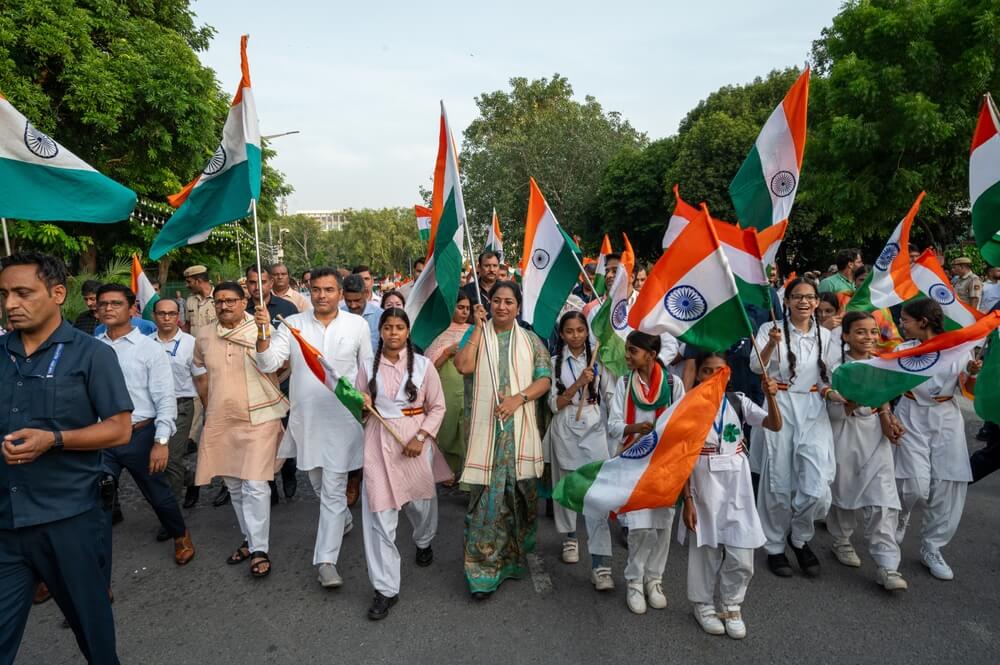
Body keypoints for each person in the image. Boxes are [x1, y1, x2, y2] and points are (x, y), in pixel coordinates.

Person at [0, 252, 133, 665]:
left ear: (57, 293)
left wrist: (53, 440)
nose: (9, 304)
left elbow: (119, 428)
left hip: (69, 520)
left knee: (94, 637)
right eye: (3, 294)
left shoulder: (92, 355)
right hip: (6, 523)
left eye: (23, 293)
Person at [255, 268, 372, 588]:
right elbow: (267, 364)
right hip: (306, 421)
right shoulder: (292, 326)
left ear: (339, 293)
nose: (322, 295)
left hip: (342, 419)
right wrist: (263, 332)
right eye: (316, 290)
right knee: (321, 486)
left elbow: (367, 366)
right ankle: (344, 521)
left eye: (329, 290)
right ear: (308, 291)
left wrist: (368, 395)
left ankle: (325, 561)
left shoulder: (357, 325)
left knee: (333, 490)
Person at [454, 280, 552, 598]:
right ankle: (481, 570)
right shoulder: (477, 334)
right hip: (486, 433)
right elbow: (463, 365)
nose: (502, 307)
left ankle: (509, 561)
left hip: (518, 432)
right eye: (496, 300)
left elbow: (545, 380)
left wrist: (517, 399)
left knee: (520, 498)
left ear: (518, 307)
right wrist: (479, 328)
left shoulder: (531, 340)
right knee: (486, 501)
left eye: (509, 301)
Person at [357, 308, 451, 619]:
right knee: (380, 516)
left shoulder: (423, 366)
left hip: (414, 442)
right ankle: (385, 589)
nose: (393, 332)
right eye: (387, 327)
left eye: (399, 327)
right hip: (378, 442)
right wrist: (361, 404)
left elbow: (437, 406)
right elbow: (358, 404)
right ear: (380, 331)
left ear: (407, 331)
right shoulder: (367, 366)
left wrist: (421, 437)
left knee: (421, 505)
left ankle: (423, 540)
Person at [681, 352, 781, 639]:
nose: (713, 375)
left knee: (742, 549)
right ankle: (703, 604)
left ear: (728, 373)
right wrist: (687, 501)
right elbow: (682, 458)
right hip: (704, 479)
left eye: (719, 370)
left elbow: (774, 425)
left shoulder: (738, 401)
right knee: (706, 548)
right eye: (706, 370)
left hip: (737, 480)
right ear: (697, 375)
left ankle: (732, 604)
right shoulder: (688, 407)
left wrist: (771, 397)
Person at [192, 282, 288, 579]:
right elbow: (199, 371)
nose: (224, 306)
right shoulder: (205, 335)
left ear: (244, 300)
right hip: (223, 417)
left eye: (230, 301)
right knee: (234, 485)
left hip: (259, 416)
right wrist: (211, 406)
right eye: (219, 301)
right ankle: (250, 539)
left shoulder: (262, 329)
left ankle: (259, 548)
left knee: (256, 485)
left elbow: (283, 366)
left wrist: (268, 380)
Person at [95, 284, 195, 567]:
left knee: (159, 495)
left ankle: (180, 534)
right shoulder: (92, 348)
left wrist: (161, 442)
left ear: (132, 309)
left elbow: (165, 398)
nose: (108, 309)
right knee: (97, 498)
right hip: (100, 439)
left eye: (116, 303)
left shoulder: (149, 349)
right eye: (103, 304)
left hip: (139, 434)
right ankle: (97, 566)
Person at [750, 277, 839, 578]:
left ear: (816, 302)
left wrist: (837, 394)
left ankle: (799, 537)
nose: (804, 301)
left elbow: (830, 377)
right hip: (781, 405)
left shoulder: (826, 336)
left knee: (816, 487)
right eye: (797, 296)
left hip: (813, 410)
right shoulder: (770, 329)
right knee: (778, 481)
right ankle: (774, 546)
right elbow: (754, 365)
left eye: (810, 297)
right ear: (785, 301)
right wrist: (771, 345)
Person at [893, 298, 980, 580]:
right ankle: (901, 516)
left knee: (948, 484)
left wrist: (973, 374)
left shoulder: (956, 349)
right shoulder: (902, 350)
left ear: (923, 322)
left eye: (905, 320)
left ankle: (932, 547)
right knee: (913, 485)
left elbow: (967, 389)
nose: (901, 324)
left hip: (946, 418)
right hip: (910, 414)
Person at [825, 312, 908, 591]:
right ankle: (841, 539)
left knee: (884, 498)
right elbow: (832, 408)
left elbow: (883, 399)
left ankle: (887, 565)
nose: (869, 337)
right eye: (861, 332)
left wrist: (887, 415)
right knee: (844, 491)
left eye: (873, 332)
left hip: (875, 437)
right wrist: (848, 402)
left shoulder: (882, 364)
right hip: (845, 434)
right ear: (846, 336)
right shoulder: (836, 368)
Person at [607, 331, 684, 614]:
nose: (627, 356)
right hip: (634, 463)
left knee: (663, 526)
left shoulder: (674, 383)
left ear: (651, 356)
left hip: (664, 465)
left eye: (632, 351)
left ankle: (655, 580)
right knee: (639, 527)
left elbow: (681, 421)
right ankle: (634, 581)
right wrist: (633, 429)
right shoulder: (624, 383)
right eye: (627, 350)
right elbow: (613, 424)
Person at [546, 311, 613, 591]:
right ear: (562, 335)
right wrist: (577, 384)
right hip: (565, 426)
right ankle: (570, 537)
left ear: (588, 332)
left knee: (596, 496)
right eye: (569, 331)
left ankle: (601, 565)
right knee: (566, 488)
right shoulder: (553, 363)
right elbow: (553, 403)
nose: (575, 336)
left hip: (594, 430)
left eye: (580, 330)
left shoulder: (599, 360)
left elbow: (610, 396)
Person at [245, 264, 299, 502]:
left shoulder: (288, 309)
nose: (258, 287)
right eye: (252, 282)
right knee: (261, 438)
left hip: (285, 382)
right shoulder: (241, 309)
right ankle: (269, 485)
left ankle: (289, 472)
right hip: (255, 384)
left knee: (286, 432)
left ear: (271, 283)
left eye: (263, 282)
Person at [151, 298, 201, 511]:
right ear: (154, 316)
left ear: (178, 316)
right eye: (162, 313)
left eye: (171, 313)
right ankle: (190, 478)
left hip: (181, 406)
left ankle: (170, 514)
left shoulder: (190, 343)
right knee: (153, 460)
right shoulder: (146, 344)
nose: (167, 318)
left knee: (170, 459)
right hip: (152, 408)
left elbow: (201, 378)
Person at [423, 293, 472, 477]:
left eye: (467, 308)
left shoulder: (473, 330)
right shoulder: (440, 331)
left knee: (466, 428)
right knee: (447, 429)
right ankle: (446, 471)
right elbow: (430, 365)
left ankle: (466, 475)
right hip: (446, 385)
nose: (464, 312)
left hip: (468, 384)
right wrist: (447, 351)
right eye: (460, 307)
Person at [343, 274, 383, 351]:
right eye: (348, 301)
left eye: (357, 300)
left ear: (365, 293)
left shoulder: (380, 316)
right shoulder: (338, 315)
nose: (353, 305)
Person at [461, 251, 501, 321]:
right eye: (487, 266)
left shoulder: (506, 290)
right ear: (479, 267)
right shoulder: (466, 290)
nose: (491, 270)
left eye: (495, 266)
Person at [182, 265, 216, 335]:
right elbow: (188, 325)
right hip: (194, 344)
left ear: (198, 281)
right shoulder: (190, 300)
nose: (187, 285)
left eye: (189, 282)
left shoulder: (219, 298)